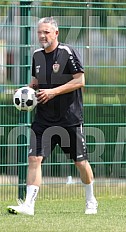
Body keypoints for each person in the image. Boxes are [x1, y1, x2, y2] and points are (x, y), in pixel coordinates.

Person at [7, 17, 98, 215]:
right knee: (34, 159)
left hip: (69, 119)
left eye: (46, 32)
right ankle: (29, 206)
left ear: (56, 33)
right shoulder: (36, 55)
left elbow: (80, 80)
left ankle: (91, 200)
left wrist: (53, 92)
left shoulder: (67, 52)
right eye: (40, 32)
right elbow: (35, 82)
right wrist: (24, 92)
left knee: (80, 163)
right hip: (43, 119)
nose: (42, 36)